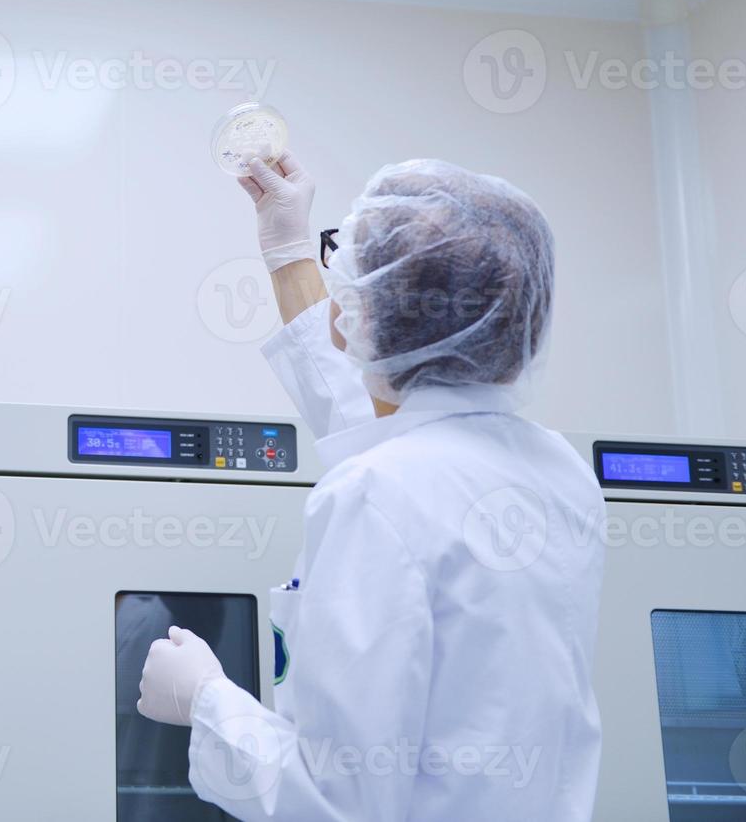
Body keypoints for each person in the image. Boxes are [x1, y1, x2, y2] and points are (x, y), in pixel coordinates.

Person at [136, 152, 606, 820]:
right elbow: (379, 424)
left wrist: (207, 699)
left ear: (361, 313)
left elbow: (333, 801)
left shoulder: (377, 492)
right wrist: (288, 249)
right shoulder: (558, 475)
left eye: (343, 278)